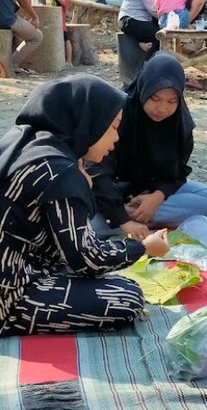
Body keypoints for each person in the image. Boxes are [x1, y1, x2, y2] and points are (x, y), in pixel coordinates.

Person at [0, 74, 170, 337]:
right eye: (113, 127)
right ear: (89, 121)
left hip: (24, 264)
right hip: (10, 295)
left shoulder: (33, 142)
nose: (116, 139)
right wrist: (143, 248)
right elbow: (87, 260)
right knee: (127, 296)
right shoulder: (61, 172)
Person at [88, 52, 207, 239]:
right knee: (88, 225)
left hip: (148, 189)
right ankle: (130, 220)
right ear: (144, 89)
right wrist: (120, 213)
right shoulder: (118, 112)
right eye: (155, 99)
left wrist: (157, 197)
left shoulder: (179, 122)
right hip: (111, 190)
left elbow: (178, 172)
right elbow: (96, 171)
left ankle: (139, 217)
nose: (162, 109)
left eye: (171, 101)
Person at [0, 0, 43, 74]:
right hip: (5, 20)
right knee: (37, 36)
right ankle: (11, 64)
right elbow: (22, 0)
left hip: (7, 18)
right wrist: (34, 16)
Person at [43, 0, 73, 68]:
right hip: (51, 20)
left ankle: (69, 60)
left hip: (60, 19)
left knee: (65, 38)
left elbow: (65, 2)